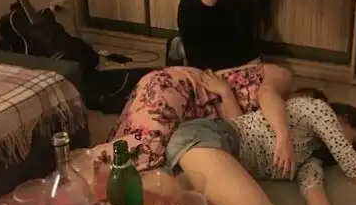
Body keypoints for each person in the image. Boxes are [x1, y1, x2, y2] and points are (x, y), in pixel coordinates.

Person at [163, 78, 356, 205]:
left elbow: (313, 188)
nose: (346, 147)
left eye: (352, 145)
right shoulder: (317, 109)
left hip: (215, 157)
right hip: (206, 137)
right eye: (350, 140)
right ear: (342, 117)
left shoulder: (310, 159)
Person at [175, 0, 312, 175]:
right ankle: (183, 51)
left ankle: (188, 56)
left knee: (251, 90)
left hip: (234, 22)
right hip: (201, 19)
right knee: (211, 85)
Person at [91, 64, 321, 173]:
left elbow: (239, 128)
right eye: (306, 104)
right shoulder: (282, 77)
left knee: (147, 161)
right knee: (149, 149)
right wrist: (283, 136)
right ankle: (83, 164)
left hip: (186, 114)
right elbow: (268, 94)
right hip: (181, 88)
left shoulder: (271, 119)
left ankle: (93, 166)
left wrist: (227, 95)